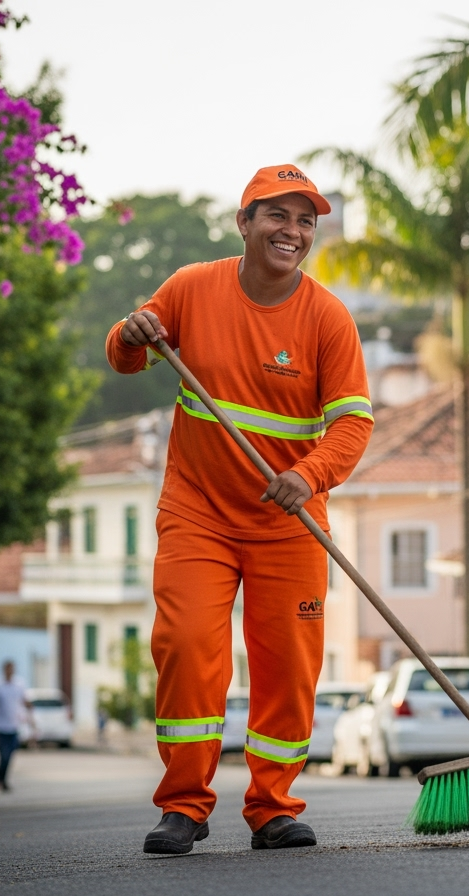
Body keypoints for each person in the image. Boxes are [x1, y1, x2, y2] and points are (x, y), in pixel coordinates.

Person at [107, 164, 373, 856]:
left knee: (289, 665)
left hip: (289, 521)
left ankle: (273, 807)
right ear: (245, 223)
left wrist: (307, 475)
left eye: (306, 221)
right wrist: (130, 334)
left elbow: (352, 425)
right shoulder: (192, 288)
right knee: (187, 644)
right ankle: (184, 805)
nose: (293, 231)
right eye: (278, 215)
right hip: (197, 512)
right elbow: (126, 357)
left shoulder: (328, 318)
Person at [0, 660, 33, 791]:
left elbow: (24, 701)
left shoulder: (19, 684)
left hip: (14, 726)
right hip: (1, 726)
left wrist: (31, 718)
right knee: (4, 755)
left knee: (9, 756)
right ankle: (0, 780)